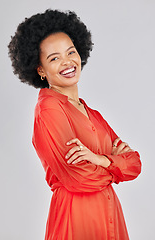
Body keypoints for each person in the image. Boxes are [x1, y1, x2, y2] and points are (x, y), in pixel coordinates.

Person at [8, 9, 142, 240]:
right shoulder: (49, 108)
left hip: (110, 215)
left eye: (71, 52)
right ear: (40, 70)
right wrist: (115, 166)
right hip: (76, 218)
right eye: (54, 58)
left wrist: (100, 160)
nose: (67, 62)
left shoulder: (93, 114)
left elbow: (135, 165)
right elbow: (79, 177)